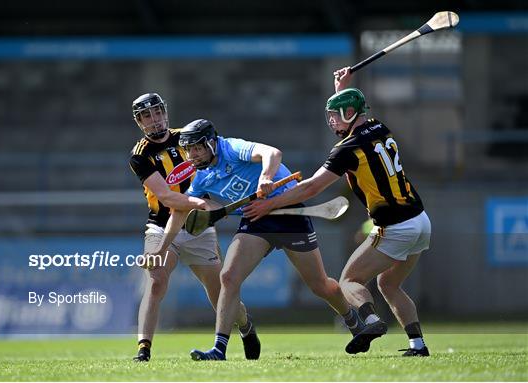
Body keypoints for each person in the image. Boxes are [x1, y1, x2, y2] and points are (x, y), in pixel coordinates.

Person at [244, 67, 431, 357]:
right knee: (388, 283)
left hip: (395, 226)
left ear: (347, 113)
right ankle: (417, 345)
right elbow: (357, 117)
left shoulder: (347, 148)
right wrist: (342, 90)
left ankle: (370, 321)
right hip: (421, 221)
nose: (331, 120)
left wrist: (269, 204)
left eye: (335, 114)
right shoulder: (380, 127)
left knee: (349, 281)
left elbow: (310, 189)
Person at [155, 118, 365, 361]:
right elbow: (179, 210)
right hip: (256, 220)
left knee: (320, 285)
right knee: (228, 276)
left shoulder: (230, 148)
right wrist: (162, 247)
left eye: (197, 148)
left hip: (287, 211)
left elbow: (272, 152)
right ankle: (219, 349)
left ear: (211, 143)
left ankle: (352, 319)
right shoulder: (202, 177)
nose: (192, 154)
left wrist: (266, 177)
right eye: (188, 149)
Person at [128, 93, 260, 362]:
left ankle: (245, 325)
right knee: (156, 281)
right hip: (162, 226)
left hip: (198, 228)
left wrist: (218, 201)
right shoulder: (140, 156)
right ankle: (144, 349)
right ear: (140, 123)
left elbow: (219, 168)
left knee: (218, 291)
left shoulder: (189, 137)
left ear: (165, 112)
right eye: (147, 116)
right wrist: (201, 203)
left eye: (157, 113)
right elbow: (166, 197)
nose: (154, 120)